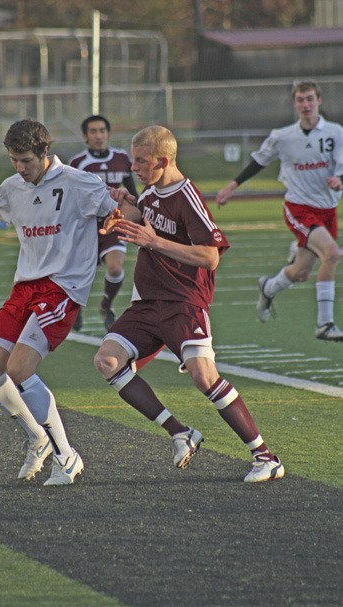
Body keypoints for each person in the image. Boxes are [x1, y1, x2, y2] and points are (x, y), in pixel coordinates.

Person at [0, 119, 132, 486]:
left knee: (18, 368)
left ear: (45, 153)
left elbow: (119, 212)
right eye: (14, 159)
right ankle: (38, 438)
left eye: (26, 160)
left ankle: (66, 455)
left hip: (62, 289)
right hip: (24, 289)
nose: (19, 167)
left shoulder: (79, 182)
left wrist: (130, 220)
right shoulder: (13, 187)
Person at [94, 125, 284, 483]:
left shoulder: (187, 195)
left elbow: (209, 256)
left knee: (203, 375)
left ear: (163, 161)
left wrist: (154, 242)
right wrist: (124, 207)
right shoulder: (151, 191)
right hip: (148, 303)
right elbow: (145, 220)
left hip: (183, 301)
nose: (133, 168)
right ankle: (181, 432)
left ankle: (266, 457)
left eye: (141, 161)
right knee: (107, 360)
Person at [216, 79, 343, 342]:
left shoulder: (335, 133)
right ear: (294, 104)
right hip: (299, 208)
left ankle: (268, 286)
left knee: (300, 272)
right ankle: (325, 323)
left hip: (328, 210)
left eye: (310, 99)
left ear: (319, 101)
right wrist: (232, 185)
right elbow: (259, 161)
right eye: (300, 100)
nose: (305, 104)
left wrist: (339, 179)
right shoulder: (283, 136)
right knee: (331, 254)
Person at [69, 115, 138, 331]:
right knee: (79, 274)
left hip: (114, 221)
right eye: (93, 131)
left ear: (108, 133)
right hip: (86, 224)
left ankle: (106, 307)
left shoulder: (122, 158)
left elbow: (133, 194)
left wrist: (138, 216)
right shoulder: (77, 163)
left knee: (116, 268)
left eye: (102, 131)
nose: (98, 135)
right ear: (85, 137)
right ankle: (75, 307)